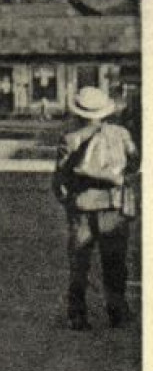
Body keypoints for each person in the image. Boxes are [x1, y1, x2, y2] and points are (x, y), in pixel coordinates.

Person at [52, 86, 140, 330]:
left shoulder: (69, 138)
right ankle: (117, 311)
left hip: (81, 207)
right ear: (105, 110)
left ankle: (78, 315)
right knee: (115, 261)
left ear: (78, 112)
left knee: (79, 264)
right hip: (112, 205)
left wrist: (68, 199)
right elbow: (133, 164)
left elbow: (59, 180)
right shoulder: (121, 133)